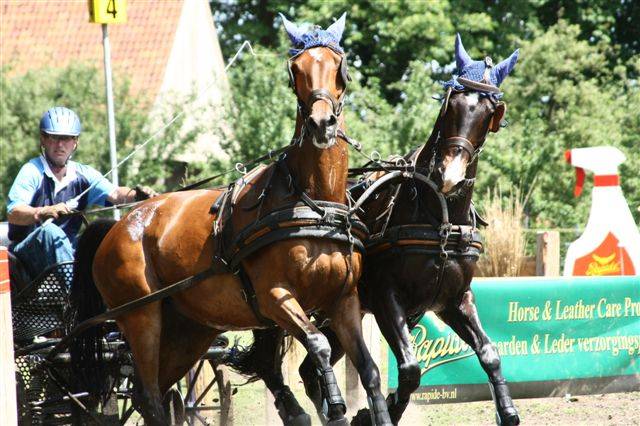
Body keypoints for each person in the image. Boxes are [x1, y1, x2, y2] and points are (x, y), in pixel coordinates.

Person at [6, 106, 156, 281]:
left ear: (75, 142)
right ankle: (74, 295)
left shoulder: (84, 175)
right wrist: (43, 211)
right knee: (50, 232)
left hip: (67, 249)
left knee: (102, 231)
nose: (60, 145)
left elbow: (116, 194)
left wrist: (137, 195)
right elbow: (13, 213)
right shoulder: (31, 171)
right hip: (25, 256)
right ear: (43, 139)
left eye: (66, 139)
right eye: (54, 138)